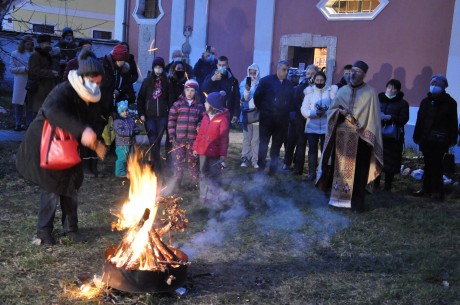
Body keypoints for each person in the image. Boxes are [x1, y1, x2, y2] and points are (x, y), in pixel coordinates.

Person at [16, 50, 107, 245]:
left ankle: (71, 229)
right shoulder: (64, 90)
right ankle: (44, 231)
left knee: (71, 186)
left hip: (71, 149)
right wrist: (82, 131)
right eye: (93, 80)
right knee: (51, 189)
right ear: (83, 77)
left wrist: (95, 134)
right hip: (48, 146)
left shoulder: (94, 96)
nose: (96, 84)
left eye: (99, 81)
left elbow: (95, 119)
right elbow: (53, 111)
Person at [316, 60, 383, 212]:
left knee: (359, 172)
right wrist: (339, 113)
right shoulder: (342, 91)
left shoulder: (370, 93)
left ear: (364, 74)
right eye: (352, 70)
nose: (353, 73)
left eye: (357, 71)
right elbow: (331, 112)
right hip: (341, 138)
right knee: (338, 170)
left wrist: (365, 133)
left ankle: (356, 204)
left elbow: (373, 119)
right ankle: (337, 200)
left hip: (361, 140)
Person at [413, 75, 458, 201]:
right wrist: (417, 135)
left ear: (443, 87)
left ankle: (437, 191)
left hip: (440, 140)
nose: (433, 86)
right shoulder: (425, 102)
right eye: (432, 83)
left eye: (437, 84)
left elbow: (452, 122)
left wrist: (452, 139)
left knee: (437, 165)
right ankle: (425, 188)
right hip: (426, 139)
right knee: (427, 164)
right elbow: (420, 120)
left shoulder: (450, 103)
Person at [254, 60, 294, 175]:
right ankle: (261, 166)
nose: (286, 72)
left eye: (287, 70)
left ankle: (273, 168)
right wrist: (263, 109)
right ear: (278, 69)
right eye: (284, 70)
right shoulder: (266, 81)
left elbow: (291, 101)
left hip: (282, 120)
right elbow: (257, 96)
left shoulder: (289, 84)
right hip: (267, 118)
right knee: (263, 143)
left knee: (276, 144)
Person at [192, 91, 230, 203]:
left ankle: (213, 196)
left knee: (214, 174)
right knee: (203, 173)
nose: (204, 104)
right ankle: (203, 195)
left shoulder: (222, 120)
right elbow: (200, 134)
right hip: (203, 151)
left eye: (207, 102)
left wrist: (223, 155)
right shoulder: (205, 117)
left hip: (215, 154)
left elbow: (224, 139)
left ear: (212, 106)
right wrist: (195, 147)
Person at [168, 79, 206, 190]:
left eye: (192, 91)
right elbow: (171, 120)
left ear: (196, 92)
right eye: (187, 90)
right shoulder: (177, 105)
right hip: (178, 140)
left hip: (192, 140)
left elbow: (203, 119)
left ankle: (194, 182)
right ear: (184, 91)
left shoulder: (199, 106)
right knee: (178, 162)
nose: (189, 93)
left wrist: (199, 125)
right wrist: (171, 135)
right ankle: (177, 182)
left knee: (193, 163)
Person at [300, 71, 337, 181]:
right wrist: (314, 114)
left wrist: (325, 113)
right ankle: (311, 173)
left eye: (321, 80)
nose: (319, 82)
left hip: (326, 127)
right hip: (312, 127)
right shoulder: (309, 93)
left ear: (325, 81)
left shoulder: (331, 93)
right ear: (314, 81)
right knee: (312, 151)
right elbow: (303, 109)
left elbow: (335, 107)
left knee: (325, 151)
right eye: (317, 80)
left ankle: (323, 173)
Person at [137, 56, 170, 175]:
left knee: (157, 140)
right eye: (156, 67)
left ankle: (155, 165)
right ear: (153, 68)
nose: (158, 69)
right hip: (149, 116)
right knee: (153, 140)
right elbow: (140, 98)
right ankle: (157, 166)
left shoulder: (167, 82)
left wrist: (169, 114)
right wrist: (141, 113)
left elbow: (169, 99)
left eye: (160, 67)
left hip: (162, 116)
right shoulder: (147, 82)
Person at [374, 79, 409, 191]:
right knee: (377, 158)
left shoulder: (402, 103)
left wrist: (391, 118)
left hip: (393, 137)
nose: (390, 89)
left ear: (397, 90)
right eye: (389, 87)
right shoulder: (378, 100)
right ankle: (375, 183)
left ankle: (388, 186)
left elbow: (404, 118)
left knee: (391, 160)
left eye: (393, 88)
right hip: (378, 134)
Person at [287, 64, 319, 173]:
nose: (309, 76)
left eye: (312, 74)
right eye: (308, 73)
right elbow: (295, 101)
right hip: (299, 118)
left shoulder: (319, 87)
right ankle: (292, 165)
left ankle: (303, 168)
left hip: (312, 119)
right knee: (294, 142)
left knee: (305, 145)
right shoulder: (301, 86)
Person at [27, 34, 60, 122]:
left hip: (46, 88)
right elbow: (33, 71)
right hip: (38, 89)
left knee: (44, 113)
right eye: (47, 43)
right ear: (40, 43)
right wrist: (50, 73)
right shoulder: (35, 55)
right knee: (37, 114)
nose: (49, 45)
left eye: (49, 43)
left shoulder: (46, 55)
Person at [202, 55, 240, 125]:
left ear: (227, 65)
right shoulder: (211, 76)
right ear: (217, 65)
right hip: (212, 112)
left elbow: (236, 97)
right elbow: (203, 89)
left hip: (227, 113)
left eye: (223, 65)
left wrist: (236, 114)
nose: (221, 67)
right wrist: (211, 80)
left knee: (223, 134)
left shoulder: (232, 80)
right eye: (220, 65)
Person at [10, 35, 34, 130]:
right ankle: (18, 124)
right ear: (23, 43)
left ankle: (29, 124)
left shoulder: (33, 54)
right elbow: (12, 69)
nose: (29, 46)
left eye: (31, 44)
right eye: (28, 44)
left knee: (30, 104)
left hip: (31, 81)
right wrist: (24, 69)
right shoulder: (15, 54)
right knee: (18, 104)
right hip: (20, 82)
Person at [239, 63, 261, 169]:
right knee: (247, 139)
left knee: (256, 139)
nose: (252, 75)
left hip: (257, 115)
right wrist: (247, 90)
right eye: (250, 73)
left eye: (254, 73)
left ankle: (254, 160)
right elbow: (244, 99)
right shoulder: (244, 84)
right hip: (246, 115)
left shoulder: (261, 84)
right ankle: (245, 158)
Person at [113, 100, 139, 178]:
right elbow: (120, 131)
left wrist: (137, 130)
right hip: (122, 144)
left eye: (126, 111)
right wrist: (131, 132)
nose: (125, 113)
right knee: (122, 158)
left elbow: (135, 126)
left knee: (132, 157)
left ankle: (131, 170)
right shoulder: (117, 121)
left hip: (131, 143)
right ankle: (120, 172)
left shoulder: (130, 120)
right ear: (119, 112)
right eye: (123, 111)